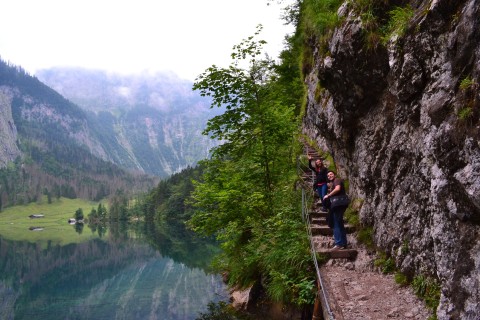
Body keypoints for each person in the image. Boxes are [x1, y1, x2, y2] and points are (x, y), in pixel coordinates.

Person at [323, 170, 348, 249]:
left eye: (331, 174)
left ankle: (338, 243)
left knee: (335, 223)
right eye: (328, 175)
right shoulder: (333, 182)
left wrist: (328, 195)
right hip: (340, 204)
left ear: (334, 174)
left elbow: (337, 189)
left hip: (338, 204)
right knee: (339, 223)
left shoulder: (337, 180)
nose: (329, 176)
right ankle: (343, 243)